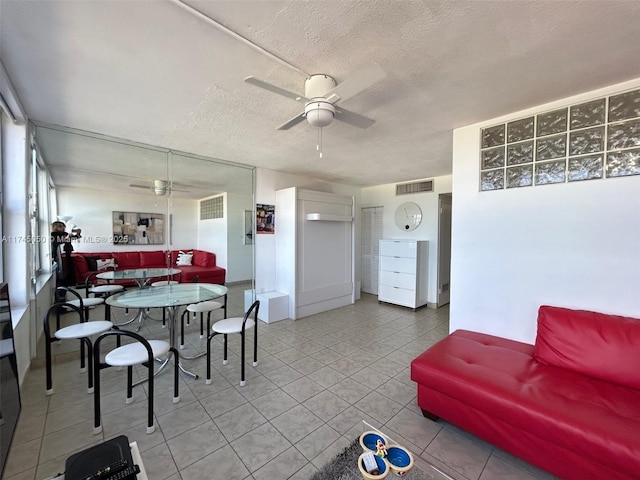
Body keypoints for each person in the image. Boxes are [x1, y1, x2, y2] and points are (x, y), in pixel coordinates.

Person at [51, 221, 76, 300]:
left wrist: (76, 234)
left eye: (63, 227)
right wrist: (68, 238)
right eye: (61, 226)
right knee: (62, 276)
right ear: (56, 227)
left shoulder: (65, 234)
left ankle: (66, 293)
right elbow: (60, 242)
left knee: (68, 273)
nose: (63, 228)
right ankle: (61, 296)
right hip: (59, 258)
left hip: (67, 255)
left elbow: (74, 238)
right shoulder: (54, 235)